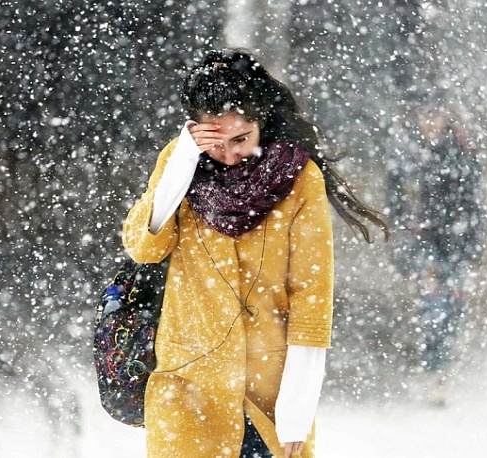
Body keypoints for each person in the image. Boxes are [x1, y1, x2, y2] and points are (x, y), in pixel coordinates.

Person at [122, 48, 388, 458]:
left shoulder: (300, 179)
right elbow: (144, 245)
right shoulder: (179, 165)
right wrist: (184, 159)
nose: (228, 154)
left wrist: (297, 405)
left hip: (268, 390)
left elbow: (311, 294)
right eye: (214, 141)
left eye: (241, 138)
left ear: (261, 122)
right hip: (187, 388)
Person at [386, 103, 484, 374]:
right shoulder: (408, 152)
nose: (430, 122)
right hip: (424, 242)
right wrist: (403, 230)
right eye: (425, 114)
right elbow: (395, 196)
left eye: (435, 114)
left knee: (453, 305)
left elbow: (474, 202)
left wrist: (473, 245)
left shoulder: (461, 152)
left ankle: (441, 361)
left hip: (456, 241)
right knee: (434, 304)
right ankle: (435, 366)